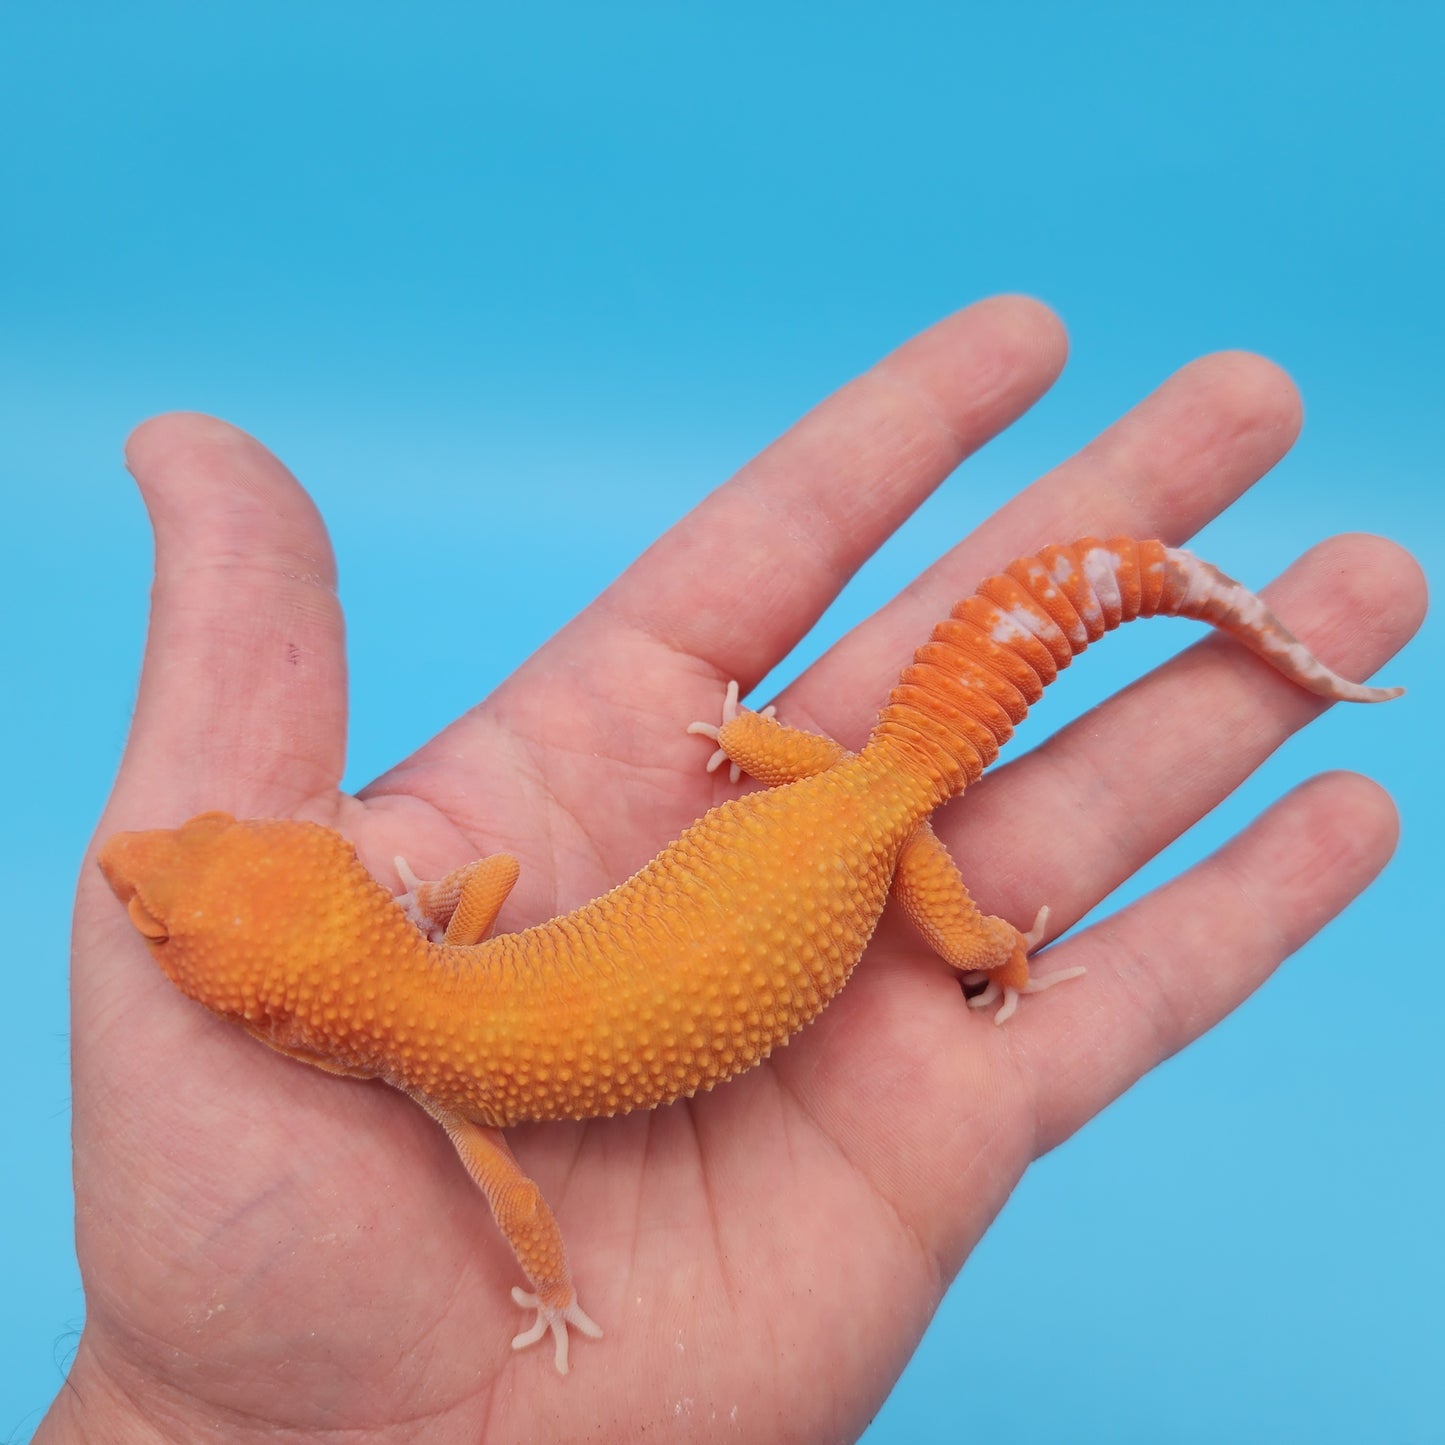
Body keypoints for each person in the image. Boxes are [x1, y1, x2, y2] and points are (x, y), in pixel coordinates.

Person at [38, 297, 1422, 1443]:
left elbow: (520, 1203)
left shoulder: (446, 1080)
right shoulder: (436, 992)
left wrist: (547, 1298)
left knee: (962, 935)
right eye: (174, 911)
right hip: (814, 787)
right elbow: (493, 871)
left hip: (868, 818)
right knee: (951, 909)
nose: (137, 873)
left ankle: (1031, 894)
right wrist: (759, 759)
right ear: (293, 997)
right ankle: (1039, 876)